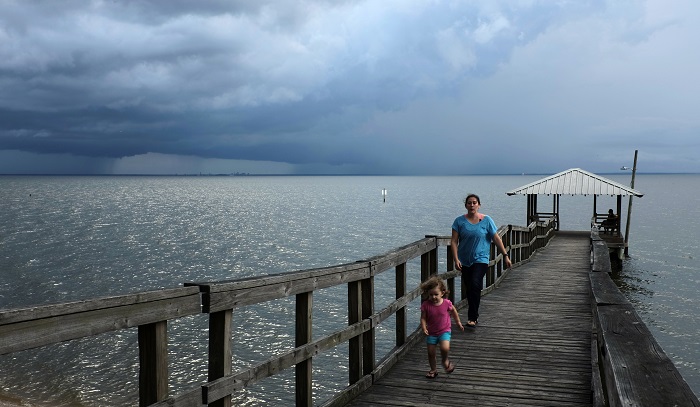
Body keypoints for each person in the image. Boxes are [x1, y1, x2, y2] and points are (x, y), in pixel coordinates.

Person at [451, 193, 512, 328]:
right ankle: (473, 313)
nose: (472, 205)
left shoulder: (487, 220)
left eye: (474, 202)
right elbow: (454, 241)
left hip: (481, 259)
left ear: (479, 205)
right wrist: (456, 259)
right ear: (465, 205)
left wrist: (505, 255)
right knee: (469, 288)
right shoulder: (459, 221)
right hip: (464, 260)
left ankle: (473, 317)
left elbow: (496, 238)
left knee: (475, 284)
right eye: (469, 203)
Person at [420, 275, 464, 378]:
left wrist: (458, 323)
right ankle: (433, 369)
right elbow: (423, 318)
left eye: (436, 294)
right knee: (431, 352)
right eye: (431, 295)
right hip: (431, 332)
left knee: (445, 348)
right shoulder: (426, 305)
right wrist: (424, 327)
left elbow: (453, 311)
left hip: (444, 330)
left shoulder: (446, 303)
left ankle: (445, 361)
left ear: (442, 293)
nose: (433, 297)